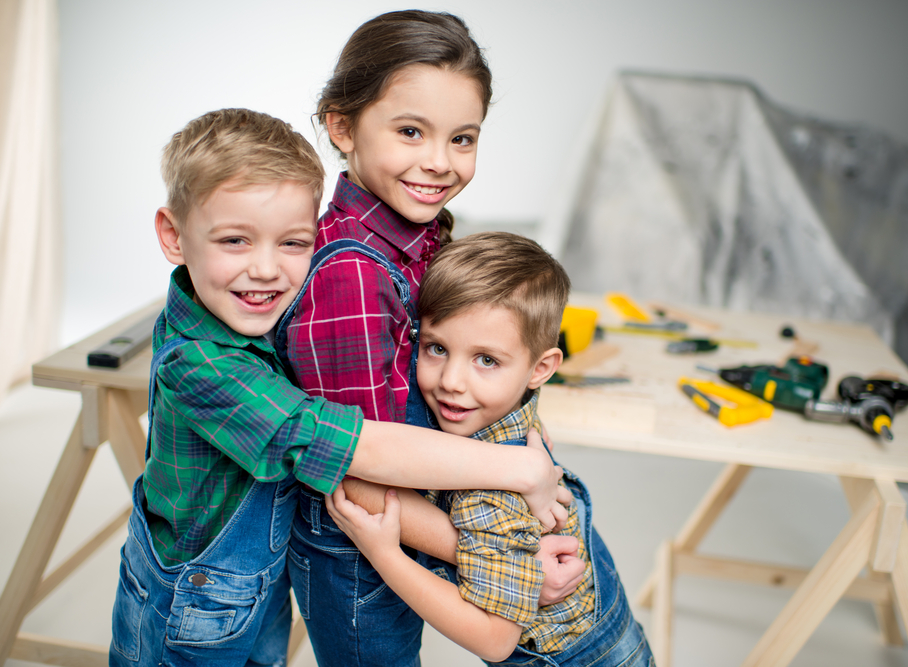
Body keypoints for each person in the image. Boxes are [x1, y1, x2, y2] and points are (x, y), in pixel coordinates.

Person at [108, 109, 569, 667]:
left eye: (293, 243)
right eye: (235, 240)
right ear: (173, 236)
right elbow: (356, 446)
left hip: (257, 584)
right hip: (191, 603)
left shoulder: (251, 305)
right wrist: (524, 472)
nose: (266, 270)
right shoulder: (201, 365)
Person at [277, 10, 585, 666]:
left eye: (462, 138)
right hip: (360, 548)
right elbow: (357, 469)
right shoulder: (353, 275)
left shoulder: (421, 234)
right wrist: (509, 552)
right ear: (341, 126)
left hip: (417, 519)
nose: (439, 163)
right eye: (410, 132)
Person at [329, 232, 656, 666]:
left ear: (540, 368)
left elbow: (494, 640)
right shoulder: (511, 406)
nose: (452, 381)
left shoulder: (490, 493)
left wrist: (386, 554)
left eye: (486, 360)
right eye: (437, 348)